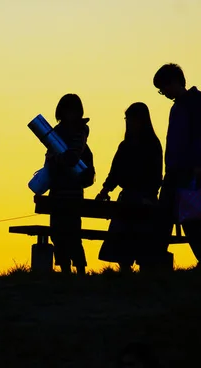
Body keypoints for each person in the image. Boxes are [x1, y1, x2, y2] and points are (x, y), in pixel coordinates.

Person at [153, 63, 201, 269]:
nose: (163, 93)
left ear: (174, 82)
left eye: (164, 88)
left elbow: (200, 135)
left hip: (187, 169)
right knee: (167, 215)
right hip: (174, 169)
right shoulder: (179, 106)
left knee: (187, 217)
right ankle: (159, 260)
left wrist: (198, 165)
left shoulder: (193, 104)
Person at [95, 102, 170, 273]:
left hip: (142, 198)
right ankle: (127, 269)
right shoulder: (128, 145)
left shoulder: (150, 145)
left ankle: (137, 270)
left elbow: (155, 175)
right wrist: (105, 190)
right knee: (130, 236)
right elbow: (114, 173)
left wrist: (149, 195)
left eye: (132, 119)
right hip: (131, 197)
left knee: (137, 236)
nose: (129, 123)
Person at [45, 93, 96, 275]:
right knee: (57, 232)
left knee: (72, 231)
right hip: (58, 188)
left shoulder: (80, 132)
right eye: (67, 110)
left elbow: (72, 156)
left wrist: (58, 159)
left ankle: (80, 268)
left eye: (73, 111)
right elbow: (52, 157)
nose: (70, 115)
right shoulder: (56, 133)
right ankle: (65, 267)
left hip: (73, 189)